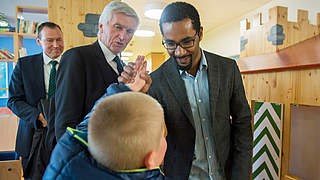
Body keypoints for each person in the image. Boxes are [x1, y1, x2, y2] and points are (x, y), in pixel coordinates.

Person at [120, 2, 253, 180]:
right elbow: (144, 135)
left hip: (227, 174)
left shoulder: (227, 68)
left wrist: (241, 174)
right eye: (170, 44)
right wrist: (133, 95)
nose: (180, 52)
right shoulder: (156, 81)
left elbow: (242, 122)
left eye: (187, 41)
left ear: (200, 34)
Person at [43, 59, 167, 180]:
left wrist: (124, 90)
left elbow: (90, 124)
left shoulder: (67, 153)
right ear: (150, 160)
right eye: (162, 136)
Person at [54, 1, 139, 140]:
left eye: (129, 31)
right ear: (101, 27)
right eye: (118, 27)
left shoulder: (124, 68)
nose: (123, 37)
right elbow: (65, 126)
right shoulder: (76, 58)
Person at [7, 22, 64, 179]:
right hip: (33, 136)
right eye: (49, 40)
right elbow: (13, 100)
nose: (56, 45)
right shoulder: (24, 65)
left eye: (59, 40)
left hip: (62, 137)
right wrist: (38, 116)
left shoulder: (72, 65)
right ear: (39, 41)